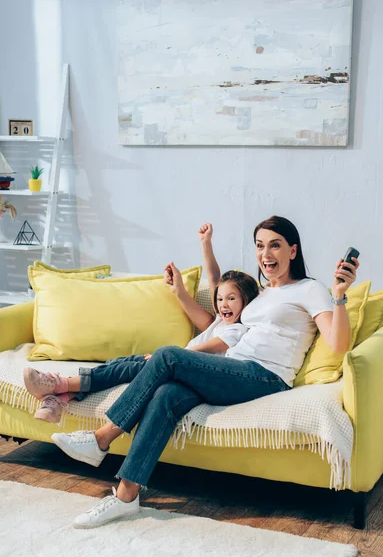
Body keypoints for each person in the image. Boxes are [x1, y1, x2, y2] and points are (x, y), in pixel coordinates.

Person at [42, 216, 359, 529]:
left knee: (167, 356)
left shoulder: (310, 290)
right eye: (260, 246)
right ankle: (126, 497)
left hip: (265, 376)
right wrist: (204, 250)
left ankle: (101, 438)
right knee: (167, 395)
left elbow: (338, 343)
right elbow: (219, 286)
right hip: (231, 368)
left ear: (292, 250)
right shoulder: (260, 292)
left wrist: (340, 295)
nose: (266, 254)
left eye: (275, 246)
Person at [24, 225, 259, 424]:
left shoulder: (237, 331)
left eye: (231, 299)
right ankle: (58, 399)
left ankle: (57, 384)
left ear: (246, 301)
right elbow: (214, 277)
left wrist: (166, 357)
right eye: (220, 299)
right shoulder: (217, 321)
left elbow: (205, 350)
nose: (223, 304)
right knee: (120, 364)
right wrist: (205, 244)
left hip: (180, 369)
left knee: (124, 368)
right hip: (174, 364)